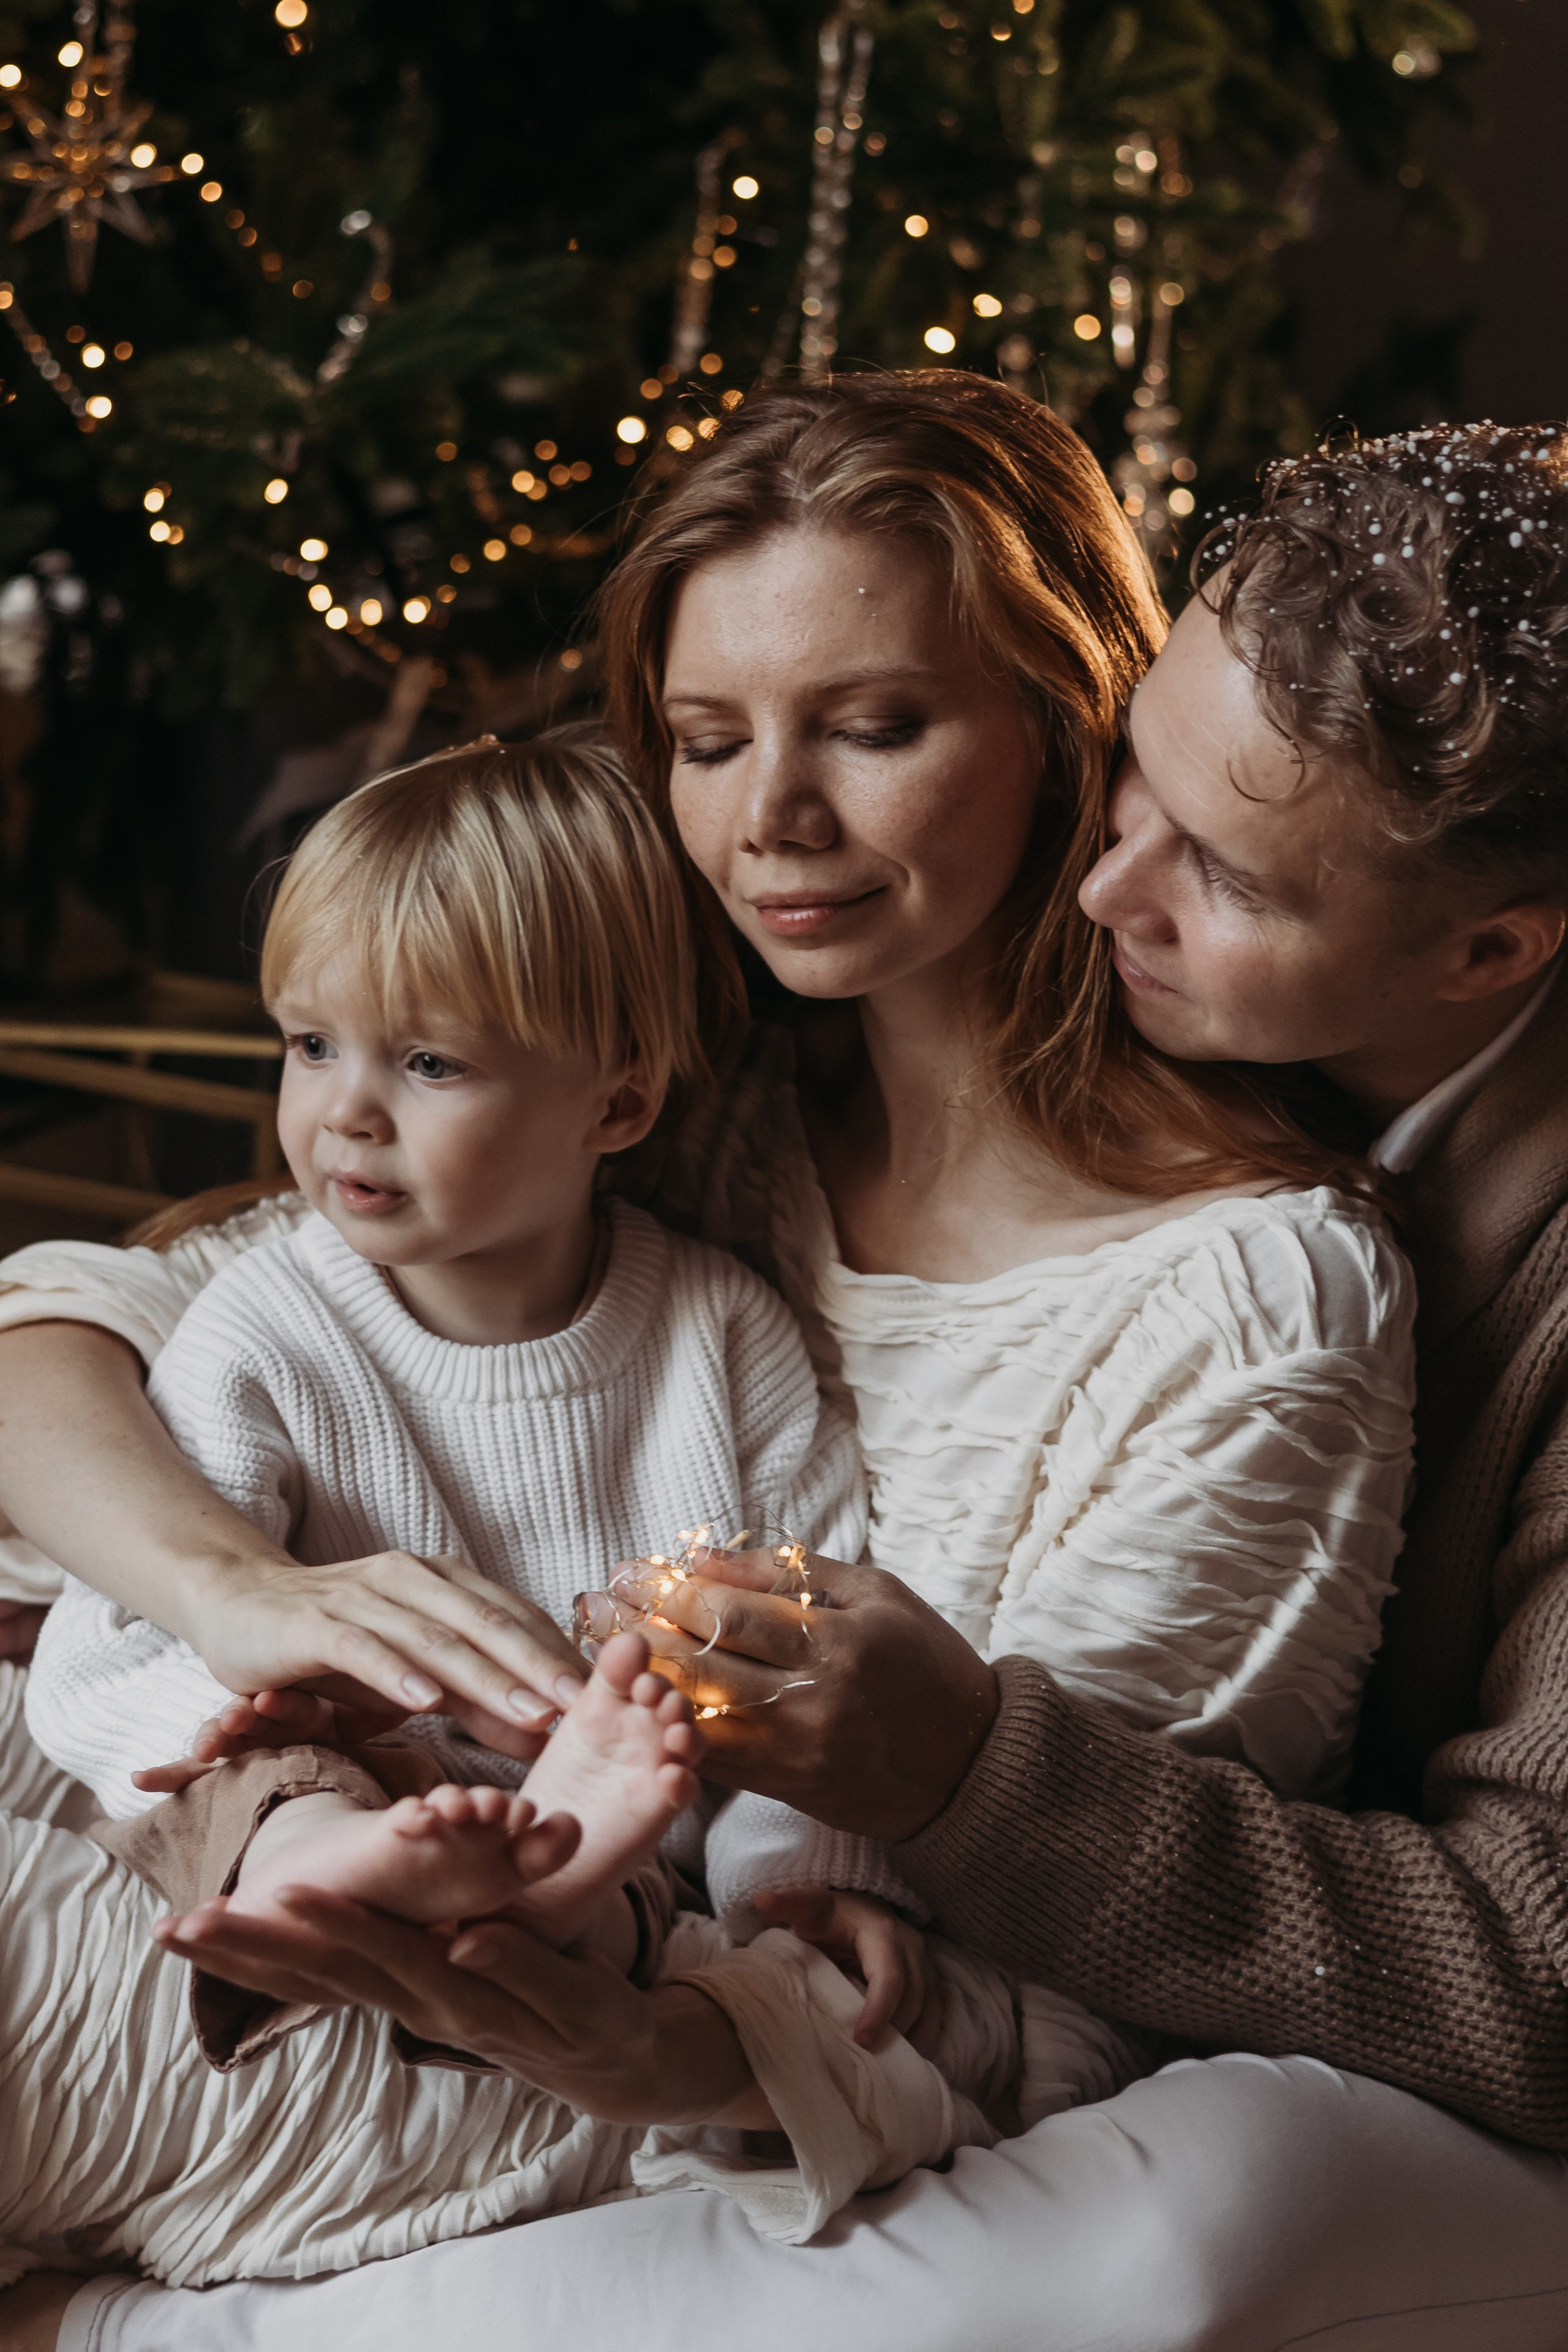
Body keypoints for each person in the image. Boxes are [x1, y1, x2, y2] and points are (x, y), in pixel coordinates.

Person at [0, 388, 1562, 2350]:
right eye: (708, 741)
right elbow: (111, 1313)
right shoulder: (688, 1029)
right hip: (269, 1813)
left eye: (880, 728)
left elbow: (1052, 1978)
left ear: (1047, 719)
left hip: (658, 2005)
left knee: (1191, 2227)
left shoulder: (1264, 1291)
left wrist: (697, 2017)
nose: (767, 823)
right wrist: (244, 1592)